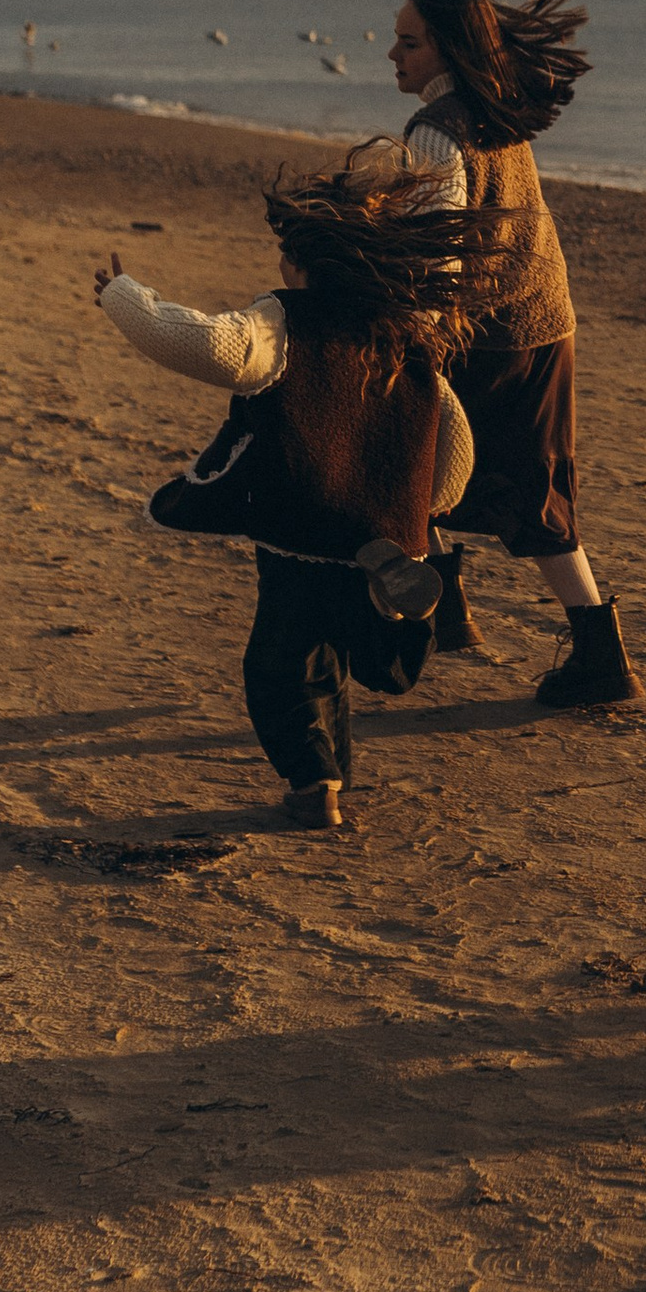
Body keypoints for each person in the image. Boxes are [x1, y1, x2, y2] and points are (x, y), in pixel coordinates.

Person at [94, 155, 479, 834]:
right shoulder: (405, 330)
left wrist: (121, 293)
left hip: (301, 532)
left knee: (284, 666)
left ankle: (315, 782)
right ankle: (397, 622)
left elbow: (195, 340)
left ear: (300, 263)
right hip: (385, 533)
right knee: (359, 658)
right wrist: (425, 510)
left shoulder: (282, 323)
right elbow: (452, 436)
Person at [388, 0, 643, 710]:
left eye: (409, 42)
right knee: (452, 469)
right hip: (545, 319)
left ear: (447, 48)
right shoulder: (496, 112)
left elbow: (441, 243)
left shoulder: (436, 130)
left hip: (491, 335)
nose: (392, 55)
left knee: (475, 481)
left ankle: (601, 656)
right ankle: (452, 613)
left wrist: (419, 336)